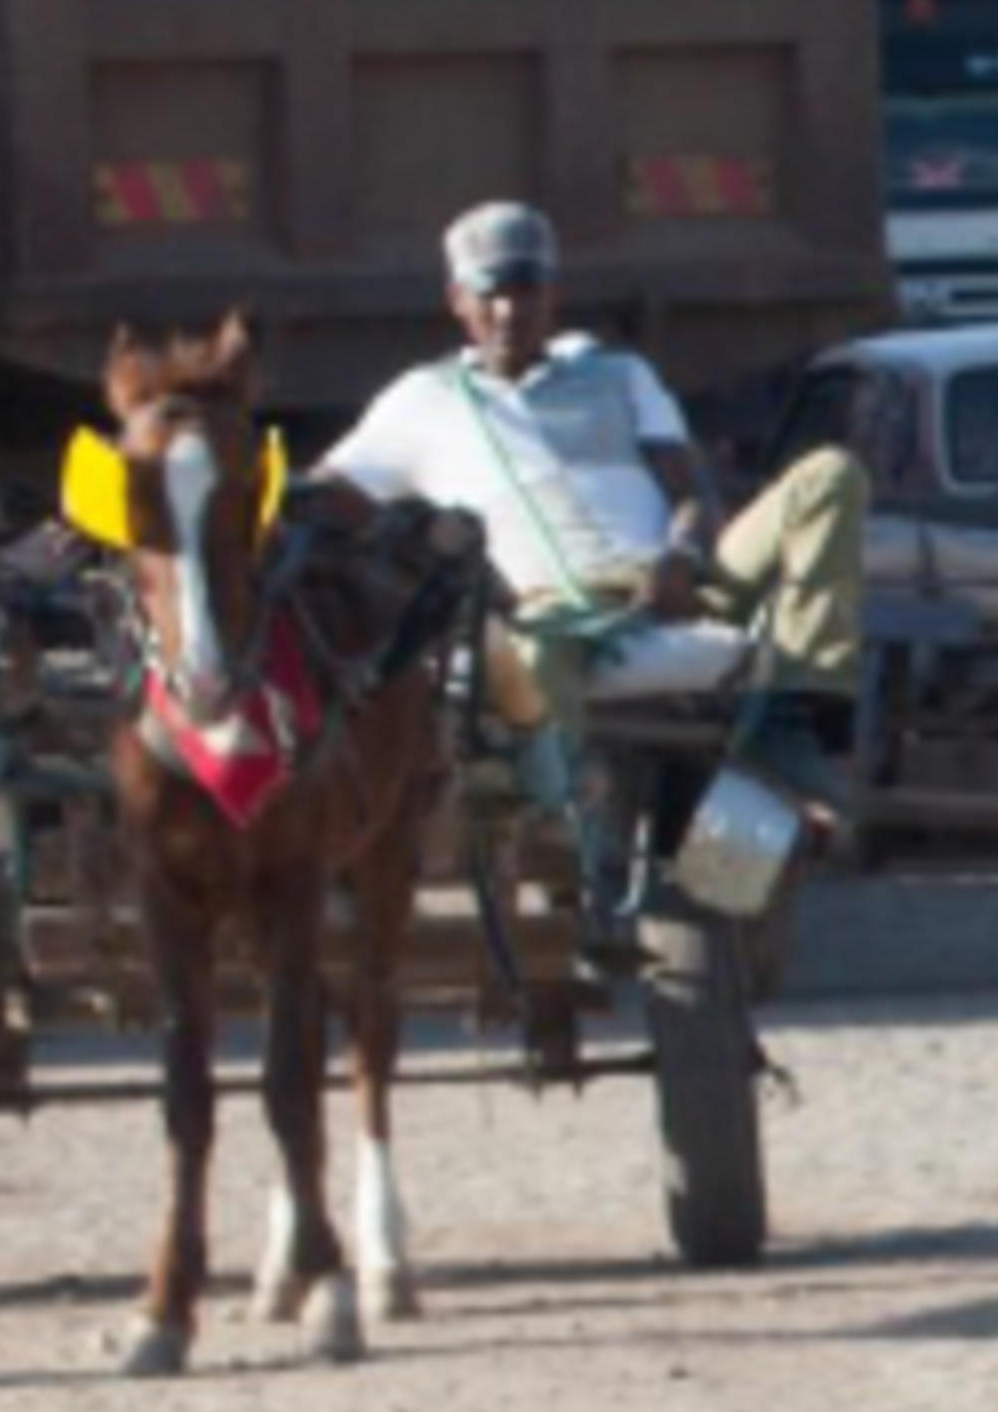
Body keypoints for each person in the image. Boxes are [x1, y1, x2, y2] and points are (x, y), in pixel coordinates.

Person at [317, 203, 868, 939]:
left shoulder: (620, 374)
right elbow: (327, 496)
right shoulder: (423, 403)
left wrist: (681, 554)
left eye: (526, 289)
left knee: (831, 474)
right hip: (550, 612)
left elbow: (689, 490)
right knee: (531, 655)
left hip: (678, 585)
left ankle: (797, 719)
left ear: (554, 295)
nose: (510, 309)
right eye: (490, 293)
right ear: (458, 303)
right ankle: (578, 852)